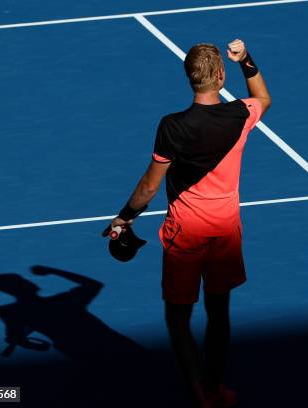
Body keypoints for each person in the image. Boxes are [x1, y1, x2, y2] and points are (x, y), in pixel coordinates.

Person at [108, 39, 271, 407]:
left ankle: (196, 391)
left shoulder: (172, 127)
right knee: (219, 312)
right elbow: (263, 98)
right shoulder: (240, 114)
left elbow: (149, 186)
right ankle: (214, 388)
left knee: (178, 314)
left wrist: (124, 218)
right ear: (220, 75)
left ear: (189, 78)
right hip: (226, 232)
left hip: (186, 233)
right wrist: (246, 59)